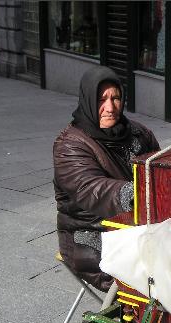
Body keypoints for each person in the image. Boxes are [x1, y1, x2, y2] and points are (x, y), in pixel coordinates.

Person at [53, 66, 160, 292]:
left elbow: (160, 167)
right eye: (102, 99)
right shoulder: (70, 145)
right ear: (88, 100)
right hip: (90, 234)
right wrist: (137, 192)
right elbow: (92, 189)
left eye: (116, 98)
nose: (110, 107)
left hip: (137, 227)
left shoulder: (138, 133)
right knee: (155, 281)